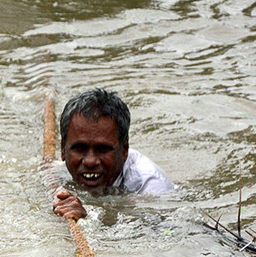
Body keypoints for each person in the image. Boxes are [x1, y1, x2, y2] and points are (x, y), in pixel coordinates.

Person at [52, 89, 174, 220]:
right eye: (79, 148)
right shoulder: (56, 172)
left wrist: (88, 218)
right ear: (63, 151)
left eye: (102, 149)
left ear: (124, 150)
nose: (90, 161)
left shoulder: (152, 189)